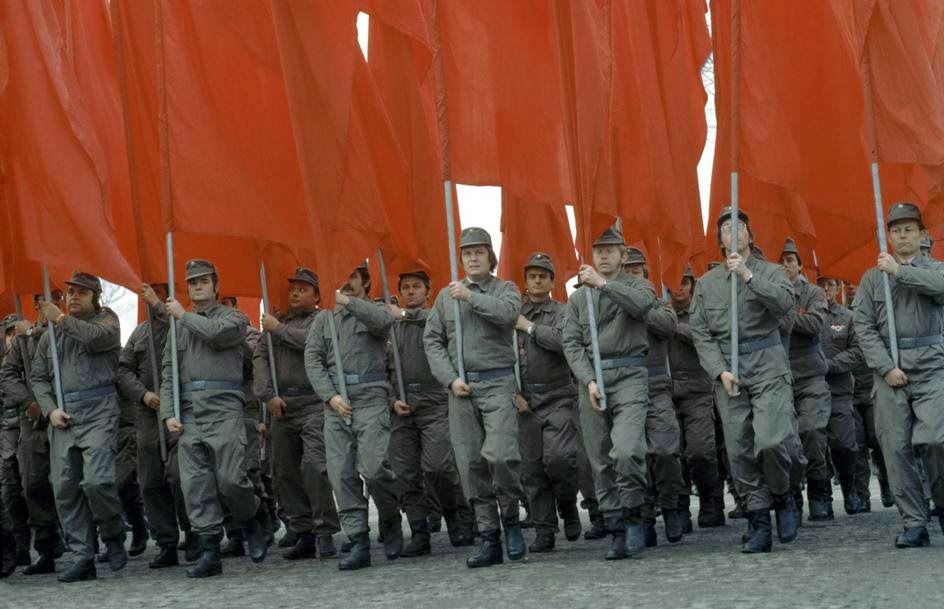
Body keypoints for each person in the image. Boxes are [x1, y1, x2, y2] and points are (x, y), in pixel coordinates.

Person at [689, 207, 799, 553]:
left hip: (767, 363)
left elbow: (785, 304)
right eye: (725, 229)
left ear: (750, 237)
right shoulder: (706, 285)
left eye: (739, 228)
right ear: (719, 241)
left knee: (771, 441)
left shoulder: (771, 272)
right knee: (739, 449)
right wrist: (719, 371)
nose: (733, 233)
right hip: (730, 371)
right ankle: (758, 520)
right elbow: (701, 333)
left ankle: (783, 495)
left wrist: (749, 276)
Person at [424, 227, 528, 568]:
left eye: (479, 252)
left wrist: (470, 297)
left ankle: (511, 518)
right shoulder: (444, 297)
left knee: (499, 455)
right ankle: (489, 536)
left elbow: (509, 315)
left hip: (498, 383)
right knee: (471, 465)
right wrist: (450, 379)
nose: (472, 257)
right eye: (467, 253)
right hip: (461, 390)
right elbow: (433, 341)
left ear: (490, 256)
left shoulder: (505, 289)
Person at [161, 259, 268, 578]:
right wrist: (169, 413)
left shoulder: (234, 318)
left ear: (216, 286)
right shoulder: (176, 328)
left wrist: (183, 315)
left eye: (204, 281)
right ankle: (210, 550)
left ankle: (252, 516)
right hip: (191, 412)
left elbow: (215, 335)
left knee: (231, 479)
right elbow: (169, 373)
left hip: (224, 408)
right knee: (195, 485)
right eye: (192, 282)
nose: (198, 286)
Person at [853, 202, 944, 548]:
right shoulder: (871, 278)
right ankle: (914, 522)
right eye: (896, 230)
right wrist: (885, 366)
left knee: (935, 440)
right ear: (887, 236)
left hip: (933, 365)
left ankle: (942, 500)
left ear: (922, 235)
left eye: (909, 230)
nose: (902, 235)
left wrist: (899, 272)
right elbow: (862, 326)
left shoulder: (936, 269)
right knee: (896, 449)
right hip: (889, 369)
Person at [562, 225, 656, 561]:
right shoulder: (577, 299)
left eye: (610, 250)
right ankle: (616, 526)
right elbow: (571, 344)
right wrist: (588, 380)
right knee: (600, 458)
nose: (603, 255)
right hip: (593, 382)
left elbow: (642, 307)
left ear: (623, 255)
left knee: (628, 450)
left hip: (630, 373)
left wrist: (603, 284)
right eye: (598, 250)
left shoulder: (639, 286)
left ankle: (634, 515)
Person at [304, 262, 403, 570]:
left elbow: (381, 323)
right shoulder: (323, 319)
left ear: (365, 282)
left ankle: (389, 517)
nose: (345, 283)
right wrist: (330, 396)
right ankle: (358, 539)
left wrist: (348, 302)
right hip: (336, 403)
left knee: (373, 467)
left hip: (371, 396)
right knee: (341, 473)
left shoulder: (377, 309)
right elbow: (313, 358)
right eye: (341, 276)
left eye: (352, 276)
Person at [31, 272, 128, 582]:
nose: (73, 297)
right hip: (64, 416)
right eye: (70, 291)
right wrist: (50, 410)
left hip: (99, 410)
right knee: (65, 489)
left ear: (95, 296)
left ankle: (112, 533)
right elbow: (38, 378)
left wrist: (59, 319)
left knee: (97, 482)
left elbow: (94, 338)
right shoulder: (49, 336)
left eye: (82, 293)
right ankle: (82, 556)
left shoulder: (107, 322)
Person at [386, 269, 474, 556]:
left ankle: (455, 516)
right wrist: (391, 398)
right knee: (404, 472)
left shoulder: (435, 318)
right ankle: (419, 529)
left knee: (439, 466)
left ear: (428, 291)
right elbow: (379, 367)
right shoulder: (389, 326)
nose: (411, 291)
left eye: (416, 287)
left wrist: (402, 316)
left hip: (435, 399)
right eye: (405, 287)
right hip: (401, 403)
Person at [254, 267, 340, 561]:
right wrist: (267, 395)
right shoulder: (275, 323)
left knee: (314, 467)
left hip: (314, 404)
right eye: (293, 288)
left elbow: (309, 343)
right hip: (282, 407)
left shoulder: (321, 319)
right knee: (284, 472)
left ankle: (325, 531)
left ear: (317, 296)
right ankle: (302, 531)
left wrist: (277, 328)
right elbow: (261, 359)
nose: (295, 293)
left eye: (303, 289)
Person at [117, 283, 196, 568]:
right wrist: (143, 394)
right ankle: (166, 542)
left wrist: (160, 307)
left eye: (161, 292)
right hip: (149, 415)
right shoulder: (139, 332)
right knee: (150, 482)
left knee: (180, 476)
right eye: (150, 293)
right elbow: (123, 370)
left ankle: (193, 532)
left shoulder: (182, 324)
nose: (152, 298)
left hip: (180, 412)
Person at [513, 253, 584, 552]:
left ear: (553, 281)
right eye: (532, 276)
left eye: (543, 275)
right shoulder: (512, 312)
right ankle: (544, 528)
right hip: (524, 399)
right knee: (531, 469)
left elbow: (562, 342)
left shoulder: (563, 312)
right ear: (525, 282)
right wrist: (511, 392)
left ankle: (567, 502)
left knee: (559, 459)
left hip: (558, 395)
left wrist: (528, 327)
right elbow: (500, 354)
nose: (538, 280)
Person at [621, 248, 686, 545]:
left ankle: (671, 504)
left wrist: (640, 308)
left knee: (664, 450)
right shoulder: (612, 307)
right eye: (628, 271)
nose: (632, 275)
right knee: (634, 454)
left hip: (656, 387)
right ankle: (644, 515)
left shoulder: (659, 305)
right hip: (622, 390)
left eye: (637, 271)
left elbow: (668, 327)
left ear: (646, 274)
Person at [780, 238, 833, 520]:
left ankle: (819, 491)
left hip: (810, 375)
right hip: (779, 376)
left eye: (790, 259)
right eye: (781, 260)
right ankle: (792, 496)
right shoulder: (767, 292)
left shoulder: (813, 293)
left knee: (811, 431)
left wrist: (783, 313)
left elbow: (814, 325)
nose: (785, 265)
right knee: (786, 441)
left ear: (800, 264)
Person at [669, 266, 726, 528]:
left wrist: (675, 327)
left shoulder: (701, 308)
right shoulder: (658, 310)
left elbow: (707, 338)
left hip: (698, 390)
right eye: (673, 282)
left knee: (701, 451)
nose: (679, 288)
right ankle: (680, 505)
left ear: (692, 284)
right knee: (671, 453)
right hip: (665, 392)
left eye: (684, 282)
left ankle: (710, 499)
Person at [816, 275, 864, 514]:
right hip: (810, 388)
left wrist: (831, 365)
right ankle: (822, 495)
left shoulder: (847, 317)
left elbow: (857, 351)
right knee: (814, 443)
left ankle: (849, 487)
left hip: (840, 389)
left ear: (837, 288)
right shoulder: (805, 314)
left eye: (831, 284)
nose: (826, 288)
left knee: (844, 443)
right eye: (821, 283)